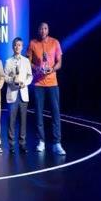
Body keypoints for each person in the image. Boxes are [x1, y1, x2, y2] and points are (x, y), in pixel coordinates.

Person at [27, 22, 66, 155]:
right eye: (41, 28)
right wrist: (36, 68)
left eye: (45, 28)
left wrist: (52, 69)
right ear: (38, 30)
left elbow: (59, 62)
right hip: (38, 84)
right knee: (38, 113)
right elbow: (28, 61)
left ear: (48, 30)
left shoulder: (55, 42)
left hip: (52, 83)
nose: (43, 31)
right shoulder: (33, 43)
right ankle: (41, 141)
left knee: (55, 113)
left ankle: (57, 143)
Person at [4, 37, 33, 153]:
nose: (17, 47)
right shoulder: (8, 61)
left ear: (22, 47)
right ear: (13, 47)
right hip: (12, 94)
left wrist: (25, 83)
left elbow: (30, 76)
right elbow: (5, 77)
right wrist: (12, 80)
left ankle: (22, 144)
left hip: (23, 94)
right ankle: (11, 145)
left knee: (23, 121)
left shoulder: (26, 61)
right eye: (15, 45)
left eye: (19, 45)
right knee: (11, 121)